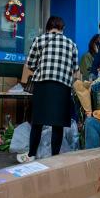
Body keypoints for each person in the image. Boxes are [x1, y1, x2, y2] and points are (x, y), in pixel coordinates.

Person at [18, 16, 79, 163]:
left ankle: (31, 154)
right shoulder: (71, 44)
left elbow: (30, 64)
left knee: (37, 122)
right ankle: (55, 156)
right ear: (62, 28)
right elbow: (75, 68)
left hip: (43, 85)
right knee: (58, 124)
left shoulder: (39, 40)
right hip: (63, 86)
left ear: (47, 27)